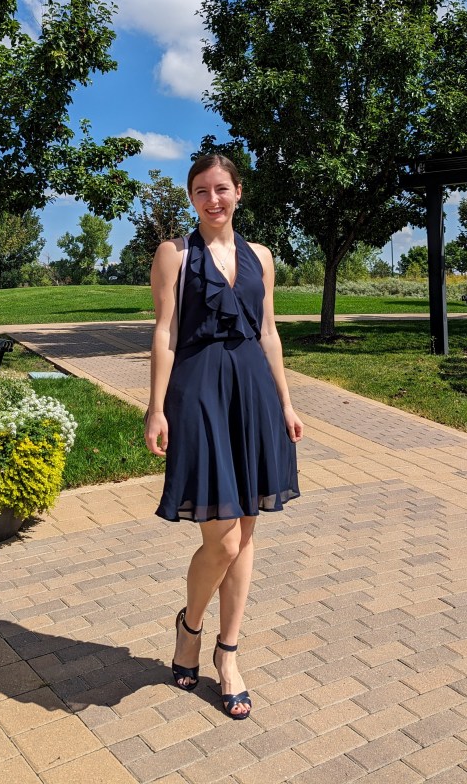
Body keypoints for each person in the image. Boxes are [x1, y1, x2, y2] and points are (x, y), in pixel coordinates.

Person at [144, 154, 303, 720]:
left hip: (254, 397)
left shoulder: (261, 256)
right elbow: (164, 332)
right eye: (200, 191)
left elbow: (268, 332)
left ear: (238, 192)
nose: (212, 200)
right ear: (191, 198)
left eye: (221, 189)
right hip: (201, 397)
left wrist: (285, 402)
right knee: (224, 540)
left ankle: (227, 655)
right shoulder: (175, 254)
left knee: (248, 535)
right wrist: (156, 407)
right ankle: (189, 626)